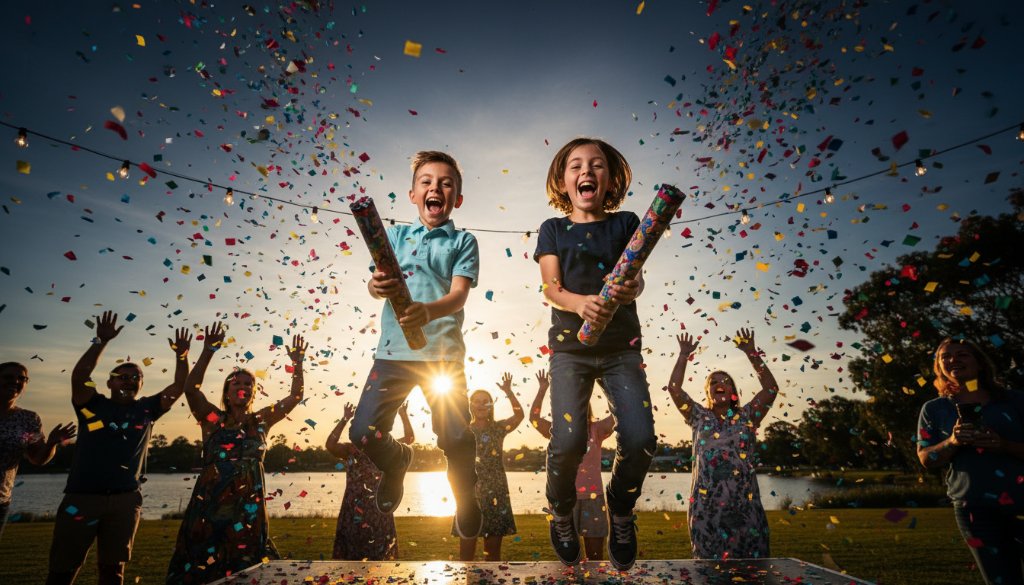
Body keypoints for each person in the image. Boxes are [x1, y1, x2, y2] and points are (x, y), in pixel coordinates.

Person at [534, 137, 656, 570]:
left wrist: (630, 288)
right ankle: (561, 510)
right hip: (571, 350)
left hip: (621, 348)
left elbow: (636, 279)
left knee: (641, 438)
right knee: (567, 441)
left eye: (597, 165)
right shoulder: (552, 229)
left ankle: (621, 510)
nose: (586, 171)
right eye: (576, 166)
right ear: (562, 180)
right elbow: (550, 287)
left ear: (610, 178)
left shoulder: (625, 223)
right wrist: (577, 303)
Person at [347, 150, 482, 541]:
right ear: (412, 194)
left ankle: (465, 498)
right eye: (426, 181)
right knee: (363, 433)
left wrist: (428, 311)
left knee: (454, 436)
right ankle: (397, 461)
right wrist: (376, 286)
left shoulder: (463, 241)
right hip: (393, 354)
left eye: (445, 183)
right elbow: (377, 283)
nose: (435, 188)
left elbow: (458, 296)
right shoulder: (396, 236)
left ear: (456, 198)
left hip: (443, 358)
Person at [46, 311, 191, 585]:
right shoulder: (92, 404)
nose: (128, 380)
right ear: (110, 383)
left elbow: (179, 386)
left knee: (113, 572)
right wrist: (101, 341)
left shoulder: (147, 408)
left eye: (134, 376)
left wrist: (181, 356)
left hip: (125, 501)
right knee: (63, 570)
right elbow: (79, 376)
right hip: (83, 498)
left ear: (141, 384)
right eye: (121, 376)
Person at [165, 323, 307, 584]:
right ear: (227, 393)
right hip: (211, 506)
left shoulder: (260, 421)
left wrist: (297, 363)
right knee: (202, 566)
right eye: (236, 383)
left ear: (253, 392)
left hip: (248, 510)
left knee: (247, 569)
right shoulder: (212, 421)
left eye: (248, 383)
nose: (242, 386)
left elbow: (295, 396)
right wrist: (208, 349)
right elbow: (191, 389)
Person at [917, 338, 1024, 585]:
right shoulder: (934, 409)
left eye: (962, 354)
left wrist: (1004, 445)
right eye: (945, 357)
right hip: (974, 511)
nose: (953, 360)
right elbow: (925, 458)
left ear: (979, 362)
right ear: (939, 368)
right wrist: (952, 442)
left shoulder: (1014, 400)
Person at [665, 329, 779, 560]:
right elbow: (675, 389)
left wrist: (751, 352)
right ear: (708, 392)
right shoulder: (697, 416)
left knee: (752, 570)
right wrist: (683, 354)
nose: (720, 384)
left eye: (725, 382)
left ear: (733, 392)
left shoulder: (748, 416)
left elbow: (770, 389)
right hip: (707, 510)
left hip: (744, 508)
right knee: (708, 572)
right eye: (714, 382)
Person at [528, 369, 615, 561]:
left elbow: (619, 415)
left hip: (593, 497)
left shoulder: (596, 430)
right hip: (564, 498)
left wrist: (606, 384)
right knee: (569, 557)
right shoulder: (557, 431)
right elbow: (534, 420)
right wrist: (543, 388)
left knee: (595, 556)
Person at [325, 401, 414, 561]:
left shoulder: (386, 448)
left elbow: (409, 438)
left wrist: (403, 415)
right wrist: (345, 419)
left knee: (378, 556)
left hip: (378, 506)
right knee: (352, 556)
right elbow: (330, 444)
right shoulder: (351, 449)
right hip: (353, 508)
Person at [0, 362, 76, 539]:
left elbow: (37, 458)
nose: (15, 381)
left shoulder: (27, 420)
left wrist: (51, 444)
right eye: (8, 377)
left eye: (21, 378)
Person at [457, 372, 524, 561]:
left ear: (491, 405)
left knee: (493, 555)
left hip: (496, 491)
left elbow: (519, 415)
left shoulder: (498, 428)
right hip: (469, 492)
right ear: (470, 405)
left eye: (485, 401)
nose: (480, 404)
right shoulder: (462, 430)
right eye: (476, 401)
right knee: (466, 555)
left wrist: (509, 392)